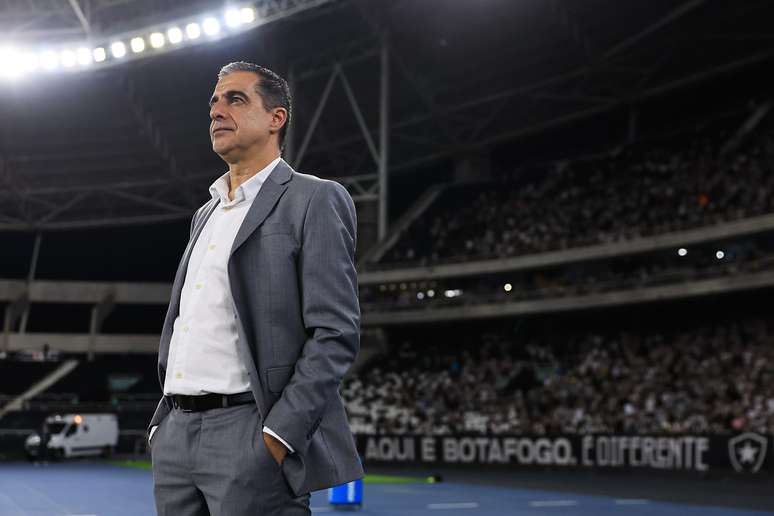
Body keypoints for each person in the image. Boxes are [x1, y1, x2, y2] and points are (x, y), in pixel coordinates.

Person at [147, 61, 363, 515]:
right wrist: (162, 425)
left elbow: (335, 333)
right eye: (214, 102)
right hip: (175, 437)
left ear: (276, 118)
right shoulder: (204, 215)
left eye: (235, 99)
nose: (217, 111)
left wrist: (278, 435)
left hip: (251, 433)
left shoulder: (314, 198)